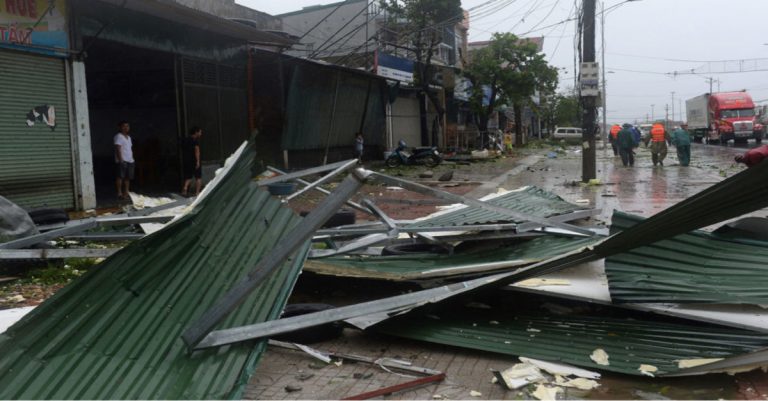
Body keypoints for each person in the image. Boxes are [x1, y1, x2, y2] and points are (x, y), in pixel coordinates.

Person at [113, 121, 134, 200]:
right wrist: (121, 159)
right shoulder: (118, 136)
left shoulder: (129, 137)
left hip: (130, 160)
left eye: (127, 126)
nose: (126, 128)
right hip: (122, 160)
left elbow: (129, 149)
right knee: (120, 177)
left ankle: (126, 192)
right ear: (120, 127)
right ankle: (119, 193)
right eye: (124, 126)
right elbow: (118, 148)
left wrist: (132, 158)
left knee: (127, 177)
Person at [181, 126, 203, 197]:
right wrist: (197, 161)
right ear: (196, 132)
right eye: (200, 132)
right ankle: (197, 192)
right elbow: (197, 151)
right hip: (194, 161)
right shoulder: (195, 141)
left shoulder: (186, 140)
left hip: (187, 161)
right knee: (198, 177)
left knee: (188, 176)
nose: (200, 133)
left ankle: (185, 188)